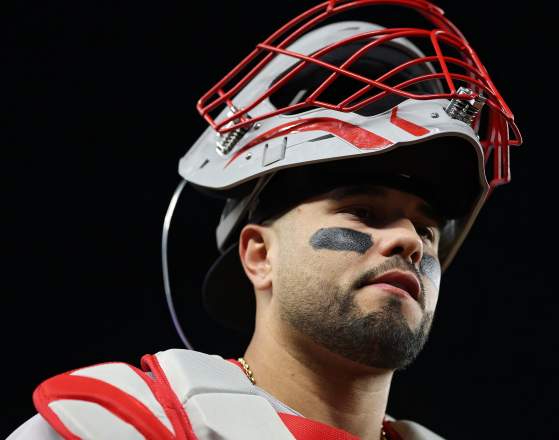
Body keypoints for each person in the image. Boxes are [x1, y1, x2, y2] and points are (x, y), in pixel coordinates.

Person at [8, 1, 521, 438]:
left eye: (426, 230)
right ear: (259, 254)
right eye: (364, 212)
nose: (410, 241)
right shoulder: (124, 423)